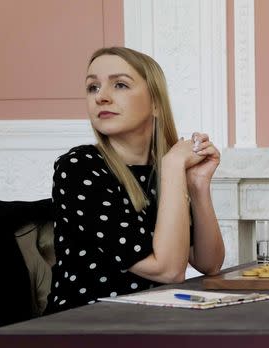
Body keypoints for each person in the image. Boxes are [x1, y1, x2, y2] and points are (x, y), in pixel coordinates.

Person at [46, 47, 225, 313]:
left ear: (155, 103)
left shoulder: (162, 170)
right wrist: (174, 165)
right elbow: (167, 271)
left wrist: (198, 186)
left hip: (152, 322)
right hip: (88, 326)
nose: (102, 97)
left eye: (119, 85)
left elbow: (208, 263)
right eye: (92, 87)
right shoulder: (79, 168)